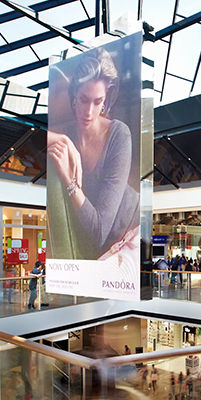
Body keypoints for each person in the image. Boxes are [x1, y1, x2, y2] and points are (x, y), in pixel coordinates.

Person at [47, 46, 140, 261]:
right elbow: (34, 134)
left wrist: (70, 181)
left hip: (129, 237)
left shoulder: (119, 134)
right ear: (74, 96)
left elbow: (99, 232)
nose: (89, 112)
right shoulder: (67, 133)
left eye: (98, 102)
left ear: (106, 99)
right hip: (99, 251)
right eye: (83, 99)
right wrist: (61, 140)